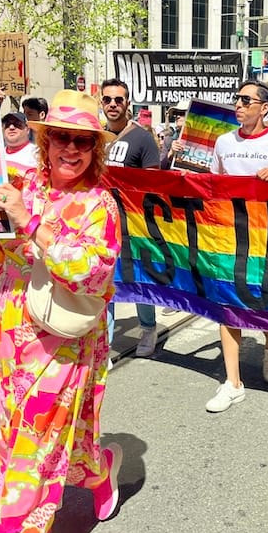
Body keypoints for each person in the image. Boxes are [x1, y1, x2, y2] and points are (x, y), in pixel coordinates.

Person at [0, 90, 123, 533]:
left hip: (63, 340)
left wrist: (30, 222)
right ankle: (100, 470)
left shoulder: (100, 202)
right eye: (62, 137)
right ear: (45, 139)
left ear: (95, 148)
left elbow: (92, 271)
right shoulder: (23, 181)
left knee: (35, 438)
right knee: (16, 429)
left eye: (83, 141)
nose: (72, 149)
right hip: (5, 335)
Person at [207, 79, 268, 412]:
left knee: (263, 299)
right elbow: (213, 184)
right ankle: (233, 383)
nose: (238, 105)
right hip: (230, 235)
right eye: (237, 99)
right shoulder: (223, 141)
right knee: (227, 302)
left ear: (264, 108)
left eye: (246, 100)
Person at [100, 78, 161, 357]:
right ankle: (105, 344)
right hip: (100, 223)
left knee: (137, 278)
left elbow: (154, 184)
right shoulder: (96, 137)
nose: (113, 104)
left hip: (133, 225)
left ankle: (148, 328)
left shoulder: (142, 138)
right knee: (105, 282)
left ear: (128, 104)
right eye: (107, 100)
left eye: (118, 100)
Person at [2, 111, 38, 177]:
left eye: (17, 124)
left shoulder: (38, 154)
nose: (11, 127)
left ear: (27, 129)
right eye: (7, 124)